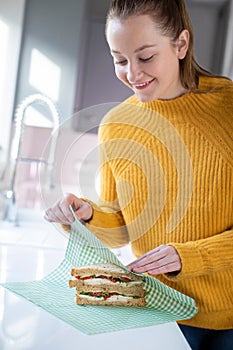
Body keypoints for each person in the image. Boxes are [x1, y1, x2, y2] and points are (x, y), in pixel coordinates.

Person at [44, 1, 233, 349]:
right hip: (155, 309)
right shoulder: (116, 124)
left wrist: (189, 257)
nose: (132, 74)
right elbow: (122, 227)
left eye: (145, 57)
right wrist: (85, 215)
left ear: (181, 44)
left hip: (225, 320)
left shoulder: (228, 109)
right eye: (120, 60)